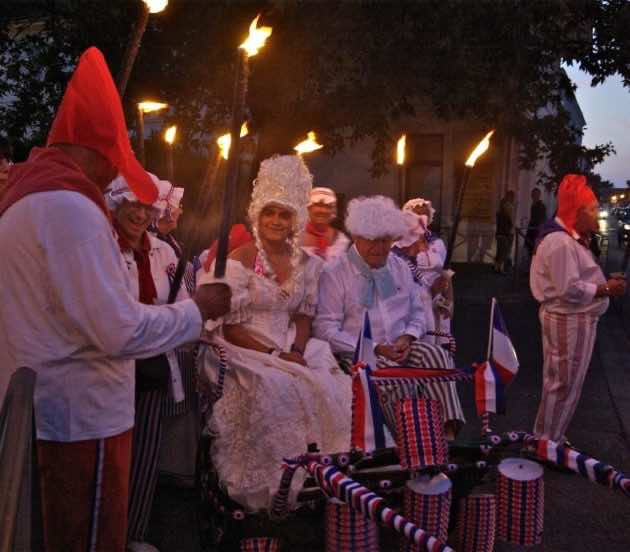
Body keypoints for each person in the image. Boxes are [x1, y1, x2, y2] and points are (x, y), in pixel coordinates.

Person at [0, 47, 230, 552]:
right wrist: (197, 310)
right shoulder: (71, 209)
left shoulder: (25, 198)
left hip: (44, 411)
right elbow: (119, 330)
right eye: (112, 164)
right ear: (95, 153)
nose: (110, 178)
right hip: (80, 420)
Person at [198, 155, 351, 512]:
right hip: (244, 346)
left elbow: (303, 315)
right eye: (270, 213)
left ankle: (329, 470)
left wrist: (296, 348)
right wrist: (274, 356)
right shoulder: (239, 258)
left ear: (295, 218)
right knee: (277, 386)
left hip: (287, 342)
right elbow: (231, 326)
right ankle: (279, 482)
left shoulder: (307, 263)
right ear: (257, 215)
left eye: (284, 214)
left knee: (333, 384)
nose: (277, 222)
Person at [313, 196, 465, 438]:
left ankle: (447, 436)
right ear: (356, 237)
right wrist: (375, 348)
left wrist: (408, 336)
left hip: (401, 345)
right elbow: (325, 328)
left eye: (385, 240)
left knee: (437, 356)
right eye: (371, 241)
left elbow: (417, 310)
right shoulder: (335, 272)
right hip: (358, 354)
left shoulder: (399, 266)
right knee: (395, 377)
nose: (379, 248)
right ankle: (411, 444)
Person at [106, 175, 189, 552]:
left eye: (146, 207)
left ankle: (134, 534)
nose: (139, 214)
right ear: (116, 203)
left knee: (145, 455)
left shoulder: (165, 252)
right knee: (109, 458)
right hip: (110, 368)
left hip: (154, 365)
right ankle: (104, 535)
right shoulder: (101, 247)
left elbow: (182, 304)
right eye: (132, 205)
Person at [530, 174, 626, 443]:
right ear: (577, 211)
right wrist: (606, 289)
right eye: (592, 209)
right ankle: (549, 443)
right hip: (569, 320)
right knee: (564, 384)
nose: (597, 214)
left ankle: (549, 436)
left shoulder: (567, 238)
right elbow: (569, 289)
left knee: (561, 383)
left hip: (571, 320)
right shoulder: (560, 242)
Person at [401, 198, 454, 346]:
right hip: (415, 304)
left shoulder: (437, 243)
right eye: (416, 214)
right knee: (423, 347)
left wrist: (449, 301)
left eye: (424, 214)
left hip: (438, 304)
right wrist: (430, 291)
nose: (420, 218)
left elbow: (446, 274)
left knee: (442, 347)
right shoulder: (400, 245)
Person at [302, 186, 350, 262]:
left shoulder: (341, 240)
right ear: (309, 208)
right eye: (318, 205)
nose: (323, 211)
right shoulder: (295, 236)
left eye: (328, 206)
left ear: (333, 211)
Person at [495, 190, 515, 273]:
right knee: (505, 251)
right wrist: (512, 228)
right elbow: (511, 220)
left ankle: (497, 267)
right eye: (512, 197)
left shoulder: (500, 208)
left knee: (500, 251)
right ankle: (501, 268)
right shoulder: (508, 206)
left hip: (500, 232)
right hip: (506, 232)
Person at [525, 187, 547, 257]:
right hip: (532, 230)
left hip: (536, 231)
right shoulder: (534, 205)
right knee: (530, 250)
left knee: (534, 252)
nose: (534, 196)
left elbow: (541, 219)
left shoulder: (540, 206)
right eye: (533, 195)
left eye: (536, 195)